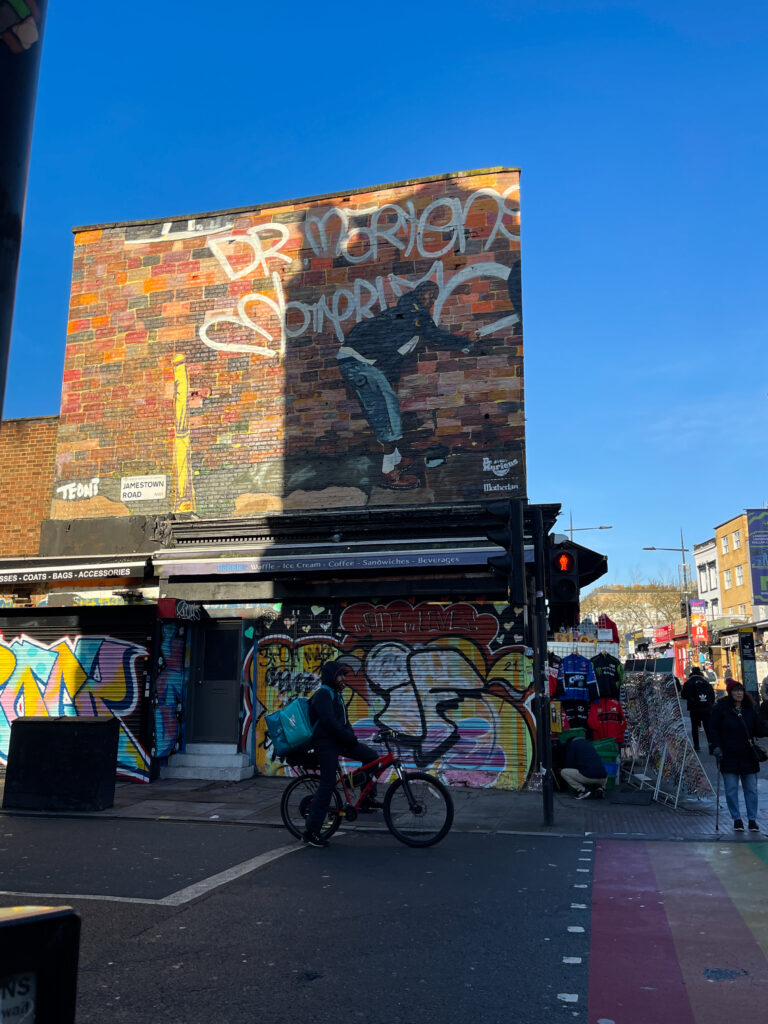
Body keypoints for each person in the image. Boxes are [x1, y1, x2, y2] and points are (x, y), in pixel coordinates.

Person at [337, 281, 477, 490]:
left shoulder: (408, 318)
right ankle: (388, 472)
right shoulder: (412, 314)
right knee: (387, 410)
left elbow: (391, 351)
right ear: (419, 293)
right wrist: (465, 341)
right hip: (356, 363)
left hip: (360, 363)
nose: (431, 301)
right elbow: (435, 335)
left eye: (434, 297)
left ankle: (396, 458)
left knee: (387, 406)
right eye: (429, 295)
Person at [302, 661, 380, 847]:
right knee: (327, 784)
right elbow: (329, 723)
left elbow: (344, 723)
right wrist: (349, 739)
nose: (344, 678)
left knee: (372, 758)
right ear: (331, 676)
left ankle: (366, 798)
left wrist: (352, 739)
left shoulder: (336, 695)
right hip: (326, 744)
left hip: (339, 741)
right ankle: (311, 832)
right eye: (341, 675)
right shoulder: (323, 695)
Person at [709, 678, 768, 833]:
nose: (739, 693)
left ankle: (752, 820)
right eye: (735, 690)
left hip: (748, 754)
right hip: (728, 754)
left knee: (751, 789)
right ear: (730, 693)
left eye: (741, 690)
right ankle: (737, 819)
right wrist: (715, 747)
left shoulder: (750, 709)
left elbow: (758, 730)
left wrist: (764, 725)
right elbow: (713, 729)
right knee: (731, 789)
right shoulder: (721, 709)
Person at [681, 665, 715, 753]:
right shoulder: (706, 682)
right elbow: (712, 695)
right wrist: (710, 704)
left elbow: (684, 695)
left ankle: (696, 746)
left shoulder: (689, 683)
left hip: (694, 708)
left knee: (695, 727)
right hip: (706, 708)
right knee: (708, 727)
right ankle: (711, 745)